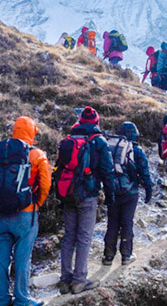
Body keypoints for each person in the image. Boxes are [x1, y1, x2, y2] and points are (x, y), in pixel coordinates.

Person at [0, 116, 50, 306]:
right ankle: (22, 299)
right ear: (32, 132)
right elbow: (46, 184)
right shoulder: (37, 154)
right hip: (26, 214)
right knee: (23, 258)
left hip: (1, 213)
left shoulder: (0, 154)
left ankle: (2, 299)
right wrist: (36, 204)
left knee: (0, 258)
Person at [55, 107, 115, 295]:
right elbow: (107, 170)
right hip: (87, 195)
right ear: (97, 122)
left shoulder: (69, 141)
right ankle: (80, 281)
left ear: (80, 121)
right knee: (84, 237)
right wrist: (110, 195)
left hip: (68, 194)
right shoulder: (98, 141)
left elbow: (58, 168)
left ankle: (65, 280)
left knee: (68, 237)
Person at [103, 122, 153, 266]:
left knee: (112, 223)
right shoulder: (136, 150)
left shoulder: (110, 147)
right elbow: (144, 172)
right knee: (127, 222)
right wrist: (148, 190)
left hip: (112, 190)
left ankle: (108, 256)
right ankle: (126, 255)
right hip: (130, 192)